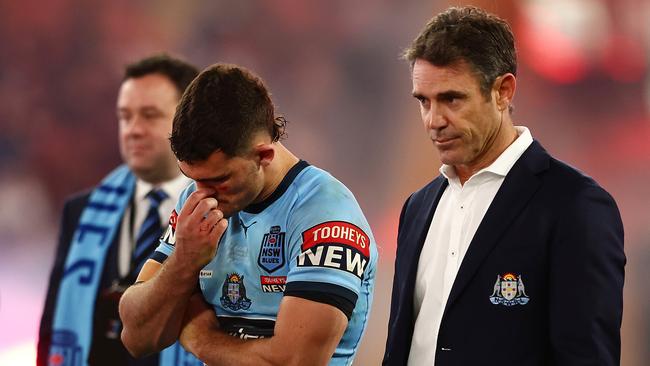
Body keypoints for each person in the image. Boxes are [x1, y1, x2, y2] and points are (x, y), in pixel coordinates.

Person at [382, 6, 625, 366]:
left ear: (503, 91)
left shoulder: (575, 205)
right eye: (424, 101)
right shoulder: (417, 207)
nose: (434, 120)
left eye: (452, 99)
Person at [118, 63, 378, 366]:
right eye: (192, 177)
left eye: (219, 179)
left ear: (263, 155)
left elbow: (293, 362)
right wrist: (184, 262)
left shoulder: (327, 216)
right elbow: (136, 336)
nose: (204, 193)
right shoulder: (197, 199)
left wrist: (201, 339)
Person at [38, 54, 204, 366]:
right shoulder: (80, 211)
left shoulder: (227, 214)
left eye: (150, 115)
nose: (133, 130)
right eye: (125, 117)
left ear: (191, 122)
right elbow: (50, 335)